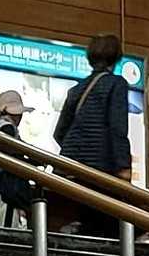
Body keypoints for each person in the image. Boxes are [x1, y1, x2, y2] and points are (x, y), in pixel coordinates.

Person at [53, 34, 132, 235]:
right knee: (110, 226)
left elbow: (60, 133)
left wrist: (79, 151)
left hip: (72, 169)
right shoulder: (116, 84)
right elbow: (117, 128)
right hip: (101, 171)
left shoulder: (77, 89)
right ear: (116, 57)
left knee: (88, 220)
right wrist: (123, 166)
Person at [0, 88, 32, 229]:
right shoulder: (7, 129)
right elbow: (15, 151)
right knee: (8, 230)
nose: (20, 117)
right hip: (6, 192)